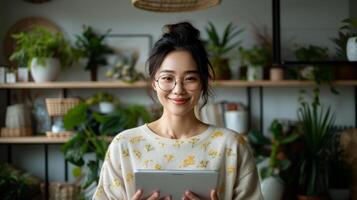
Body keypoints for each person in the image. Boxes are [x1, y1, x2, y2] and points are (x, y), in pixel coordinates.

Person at [93, 21, 263, 200]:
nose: (178, 89)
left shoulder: (232, 145)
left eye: (190, 78)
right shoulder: (124, 146)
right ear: (154, 83)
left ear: (203, 83)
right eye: (167, 78)